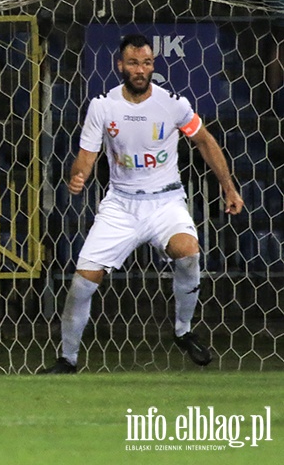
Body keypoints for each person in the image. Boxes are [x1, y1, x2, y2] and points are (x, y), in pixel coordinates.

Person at [39, 34, 244, 374]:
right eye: (133, 63)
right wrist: (78, 176)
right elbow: (85, 158)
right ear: (120, 65)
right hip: (121, 205)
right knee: (81, 284)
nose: (140, 69)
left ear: (153, 66)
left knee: (188, 251)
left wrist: (229, 187)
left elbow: (205, 142)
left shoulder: (173, 104)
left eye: (146, 63)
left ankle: (182, 330)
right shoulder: (102, 106)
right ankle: (67, 360)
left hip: (166, 202)